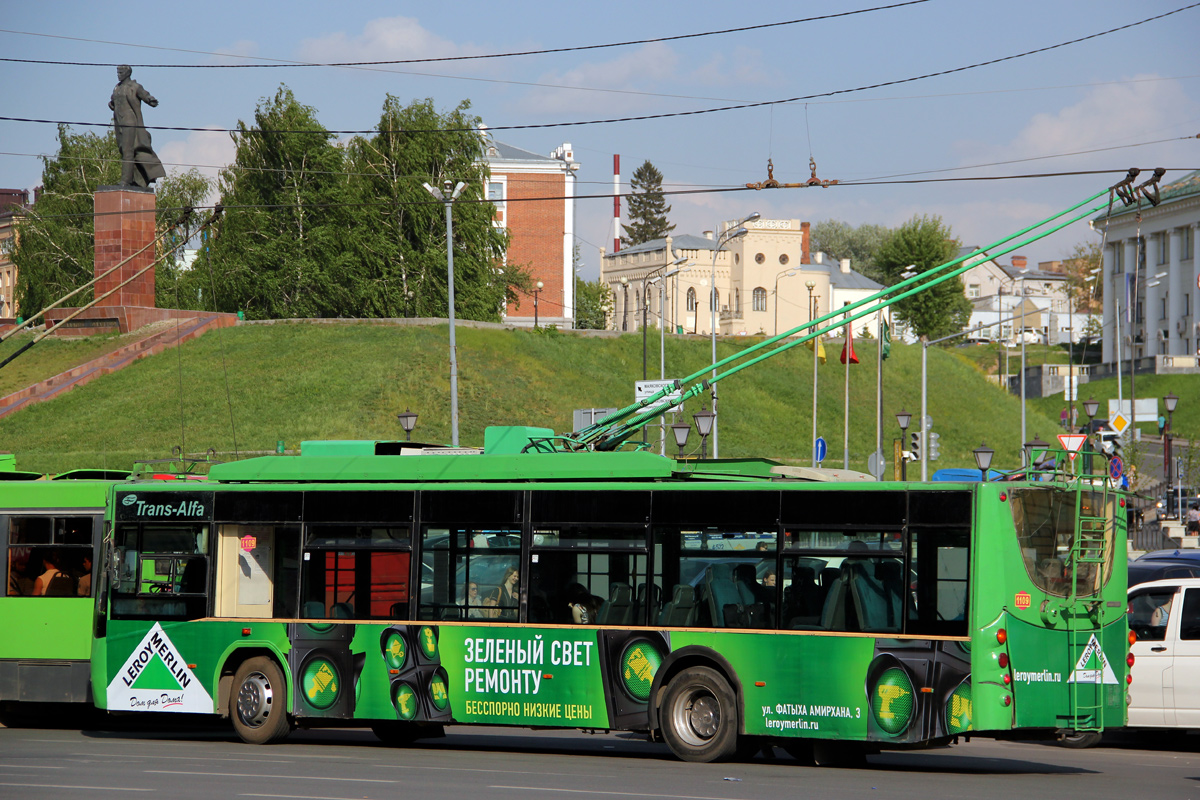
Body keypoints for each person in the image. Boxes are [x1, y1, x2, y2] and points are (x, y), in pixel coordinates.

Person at [109, 65, 166, 187]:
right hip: (119, 122)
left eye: (121, 72)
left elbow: (145, 95)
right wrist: (111, 104)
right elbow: (114, 101)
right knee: (123, 150)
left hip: (130, 121)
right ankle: (136, 180)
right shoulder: (117, 88)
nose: (118, 74)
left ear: (128, 73)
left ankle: (126, 180)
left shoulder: (135, 86)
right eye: (117, 72)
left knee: (127, 150)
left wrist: (150, 99)